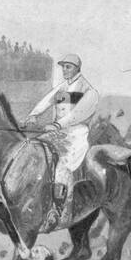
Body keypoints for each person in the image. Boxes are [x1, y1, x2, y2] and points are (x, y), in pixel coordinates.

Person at [24, 53, 100, 230]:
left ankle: (59, 211)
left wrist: (58, 124)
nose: (64, 70)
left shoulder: (88, 90)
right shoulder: (64, 88)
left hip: (76, 134)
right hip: (57, 132)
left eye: (68, 67)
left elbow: (77, 114)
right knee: (35, 152)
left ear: (77, 68)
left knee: (62, 166)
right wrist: (33, 115)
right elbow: (47, 100)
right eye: (63, 66)